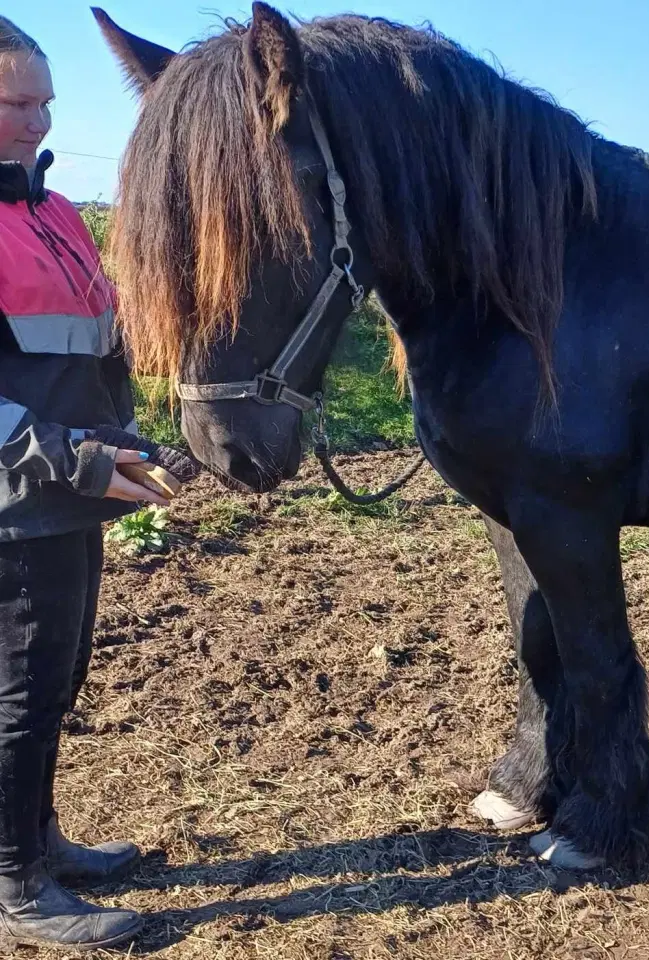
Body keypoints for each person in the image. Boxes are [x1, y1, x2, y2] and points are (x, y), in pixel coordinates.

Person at [0, 15, 173, 951]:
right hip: (15, 507)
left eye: (46, 101)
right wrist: (80, 460)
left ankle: (41, 842)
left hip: (78, 490)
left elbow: (101, 353)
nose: (39, 118)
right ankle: (17, 887)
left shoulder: (55, 214)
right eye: (16, 103)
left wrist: (132, 440)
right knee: (18, 695)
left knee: (55, 682)